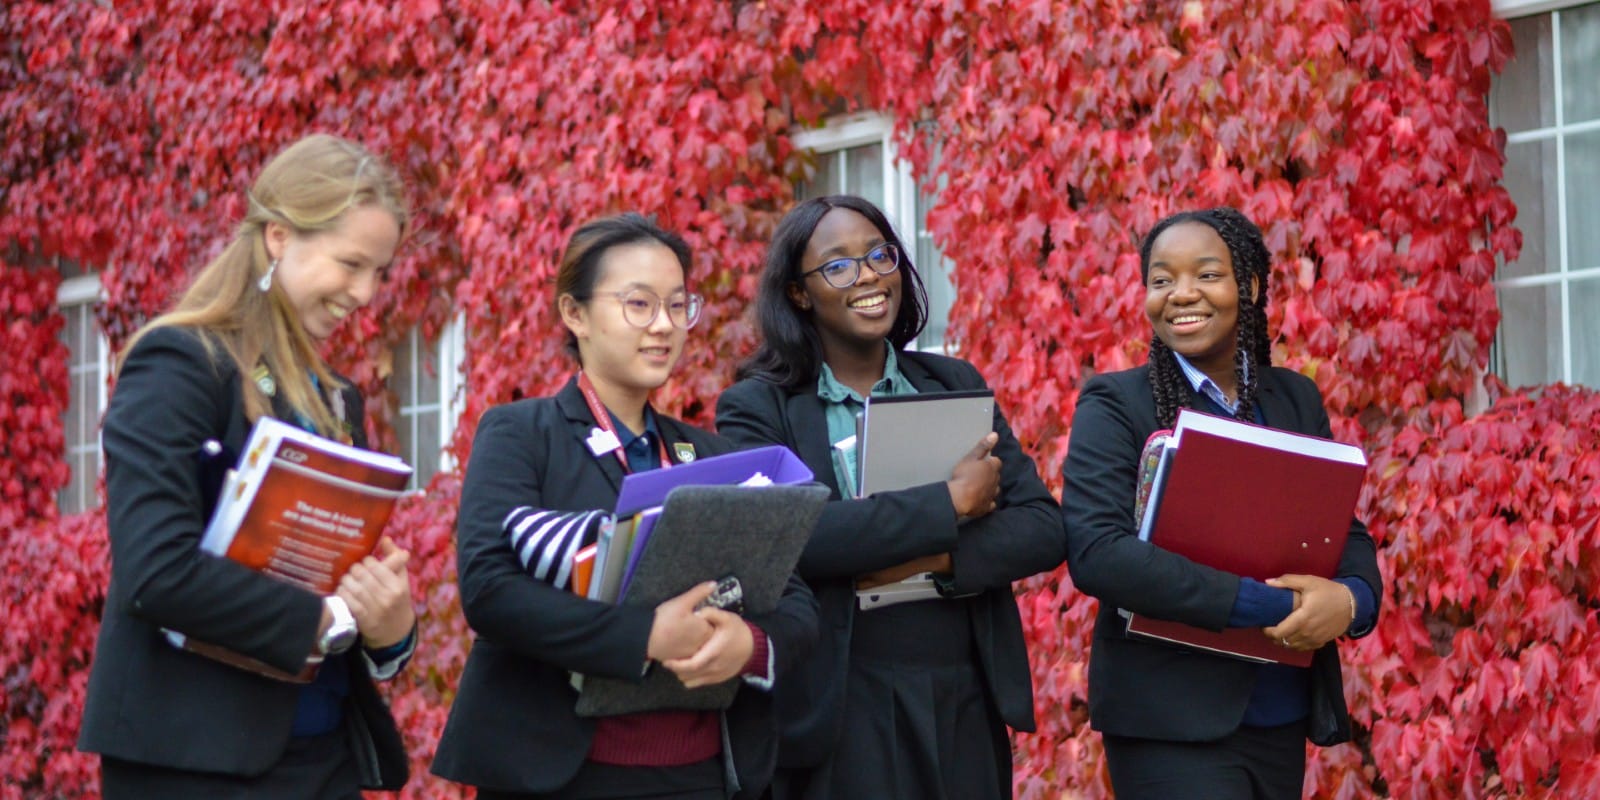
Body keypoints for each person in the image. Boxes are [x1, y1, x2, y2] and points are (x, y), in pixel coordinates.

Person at [430, 213, 819, 799]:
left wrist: (751, 646)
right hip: (562, 775)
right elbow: (490, 589)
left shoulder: (711, 453)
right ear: (575, 313)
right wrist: (643, 636)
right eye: (639, 304)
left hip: (705, 775)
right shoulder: (520, 434)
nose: (664, 326)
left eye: (677, 305)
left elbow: (794, 598)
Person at [79, 133, 418, 797]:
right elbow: (156, 570)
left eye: (380, 271)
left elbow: (339, 573)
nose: (366, 292)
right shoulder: (178, 363)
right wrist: (320, 620)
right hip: (192, 762)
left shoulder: (338, 397)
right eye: (351, 263)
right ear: (278, 238)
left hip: (325, 757)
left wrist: (389, 626)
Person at [715, 195, 1066, 799]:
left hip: (962, 693)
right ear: (799, 293)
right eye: (838, 266)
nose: (869, 276)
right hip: (840, 701)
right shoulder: (758, 408)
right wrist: (948, 506)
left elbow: (1041, 528)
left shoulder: (953, 383)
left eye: (880, 255)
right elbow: (792, 538)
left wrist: (930, 559)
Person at [1060, 207, 1383, 799]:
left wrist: (1353, 600)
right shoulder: (1113, 405)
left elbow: (1343, 528)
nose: (1181, 294)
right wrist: (1268, 603)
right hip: (1169, 726)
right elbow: (1099, 553)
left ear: (1250, 286)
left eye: (1206, 274)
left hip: (1280, 713)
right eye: (1161, 280)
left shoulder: (1292, 397)